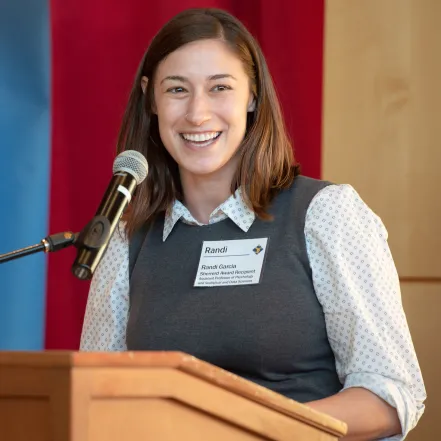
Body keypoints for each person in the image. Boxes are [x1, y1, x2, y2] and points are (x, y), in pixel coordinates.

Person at [80, 7, 426, 440]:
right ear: (151, 98)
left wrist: (250, 428)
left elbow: (389, 396)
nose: (197, 114)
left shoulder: (325, 214)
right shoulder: (125, 237)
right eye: (177, 90)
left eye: (220, 87)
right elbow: (94, 401)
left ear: (253, 95)